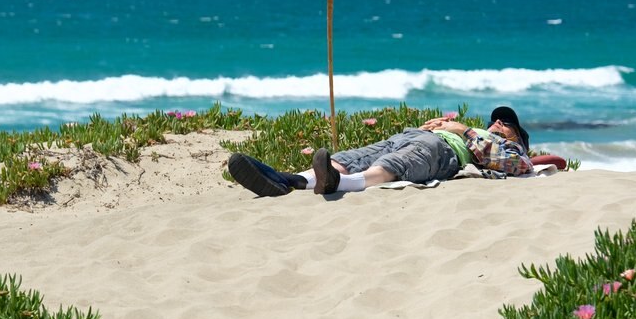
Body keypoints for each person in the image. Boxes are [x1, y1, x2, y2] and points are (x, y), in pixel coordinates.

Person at [227, 106, 533, 197]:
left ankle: (339, 184)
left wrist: (460, 131)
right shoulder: (477, 130)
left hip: (442, 149)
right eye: (494, 119)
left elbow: (518, 166)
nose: (496, 122)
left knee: (398, 162)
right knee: (351, 157)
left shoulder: (512, 149)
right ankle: (288, 181)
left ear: (518, 137)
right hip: (414, 136)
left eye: (506, 123)